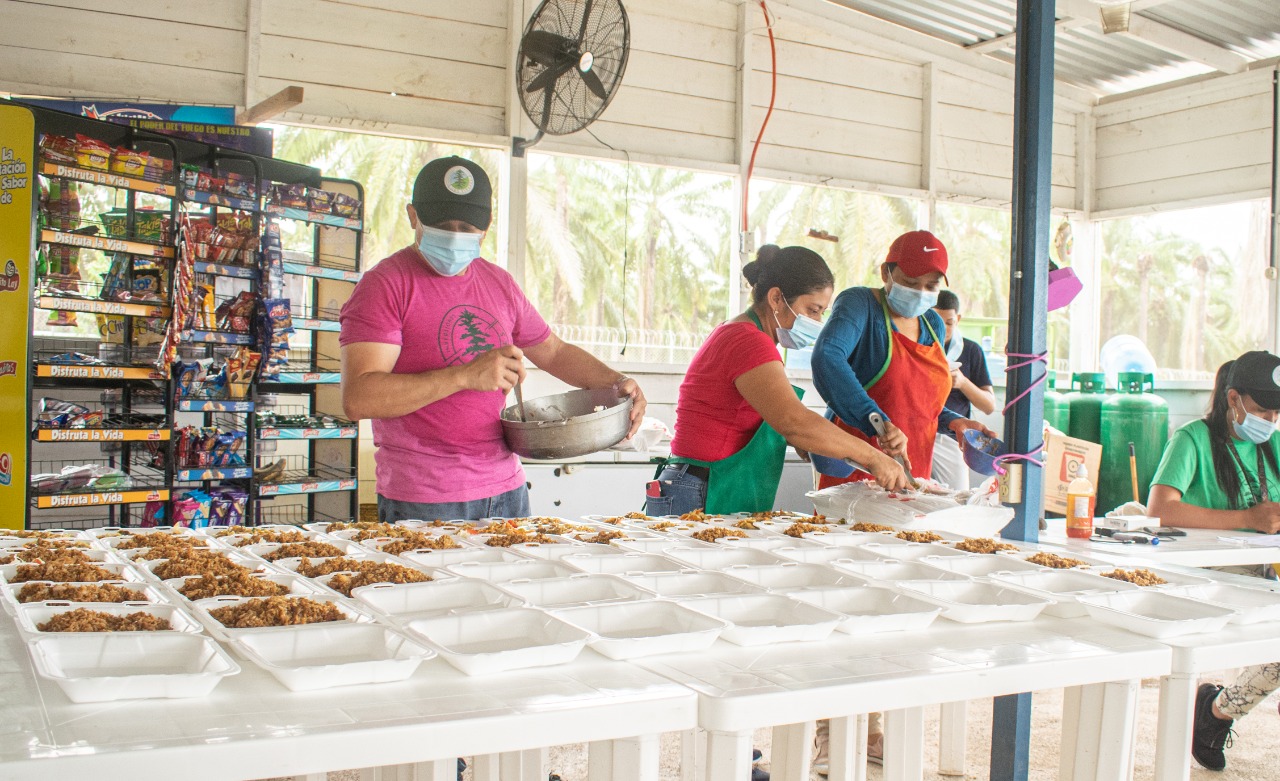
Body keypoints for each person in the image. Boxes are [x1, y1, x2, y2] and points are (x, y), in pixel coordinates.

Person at [339, 156, 646, 522]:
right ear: (412, 216)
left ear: (486, 227)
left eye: (467, 226)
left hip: (507, 488)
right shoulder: (385, 285)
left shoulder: (499, 283)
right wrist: (464, 376)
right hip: (424, 497)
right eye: (440, 224)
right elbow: (359, 397)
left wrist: (617, 382)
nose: (454, 234)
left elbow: (553, 351)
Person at [646, 245, 908, 517]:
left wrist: (811, 443)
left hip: (706, 483)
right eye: (813, 310)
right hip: (702, 490)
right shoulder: (749, 341)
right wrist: (875, 458)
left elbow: (776, 420)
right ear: (776, 298)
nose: (819, 322)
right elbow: (794, 421)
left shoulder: (743, 334)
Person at [1146, 351, 1280, 771]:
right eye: (1262, 411)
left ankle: (1216, 711)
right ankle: (1218, 711)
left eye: (1277, 413)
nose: (1271, 421)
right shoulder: (1192, 439)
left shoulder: (1273, 443)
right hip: (1209, 571)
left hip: (1265, 569)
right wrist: (1247, 519)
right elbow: (1159, 510)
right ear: (1233, 398)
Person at [811, 230, 995, 491]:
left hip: (914, 476)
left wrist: (955, 423)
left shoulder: (933, 325)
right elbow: (827, 357)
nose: (920, 293)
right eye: (910, 282)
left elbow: (917, 404)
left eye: (931, 286)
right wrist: (877, 421)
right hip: (860, 475)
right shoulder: (860, 305)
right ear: (886, 273)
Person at [930, 290, 996, 490]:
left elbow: (989, 405)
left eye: (949, 323)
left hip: (952, 438)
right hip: (918, 433)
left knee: (956, 500)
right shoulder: (919, 346)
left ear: (958, 319)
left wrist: (963, 383)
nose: (943, 330)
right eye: (936, 323)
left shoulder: (970, 350)